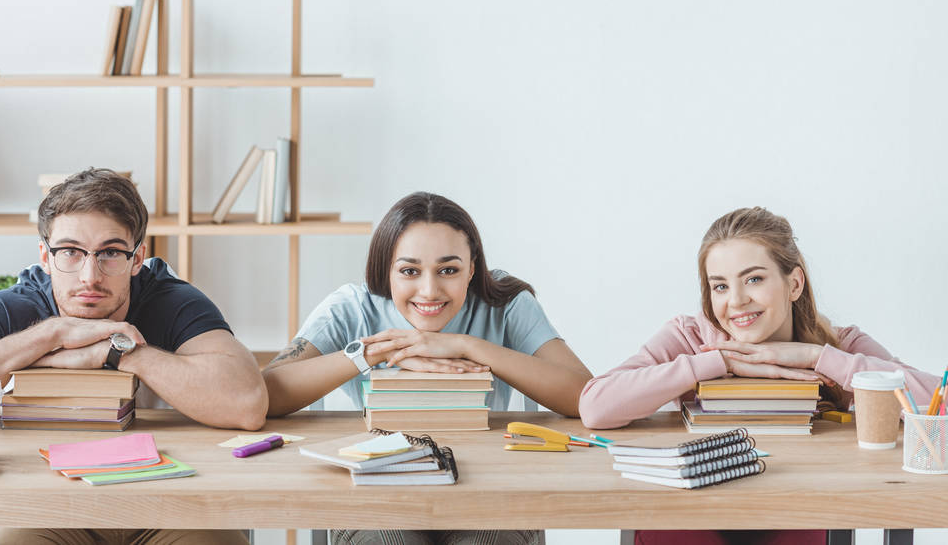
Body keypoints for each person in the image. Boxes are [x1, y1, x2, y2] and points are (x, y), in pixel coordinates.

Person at [0, 168, 266, 545]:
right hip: (48, 510)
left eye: (110, 253)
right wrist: (52, 335)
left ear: (137, 259)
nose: (90, 275)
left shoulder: (170, 300)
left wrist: (121, 353)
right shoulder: (15, 307)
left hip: (172, 504)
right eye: (70, 252)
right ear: (45, 255)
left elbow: (247, 402)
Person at [579, 207, 940, 545]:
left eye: (753, 279)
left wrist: (818, 357)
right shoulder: (691, 337)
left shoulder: (838, 344)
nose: (736, 301)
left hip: (796, 509)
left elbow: (938, 403)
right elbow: (596, 407)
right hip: (691, 510)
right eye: (720, 286)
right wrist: (719, 362)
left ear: (794, 284)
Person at [264, 191, 592, 545]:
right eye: (409, 271)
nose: (429, 290)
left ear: (472, 268)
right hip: (378, 489)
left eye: (448, 270)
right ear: (386, 269)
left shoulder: (507, 304)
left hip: (488, 487)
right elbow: (266, 394)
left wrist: (468, 346)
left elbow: (585, 396)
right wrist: (373, 351)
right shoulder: (352, 308)